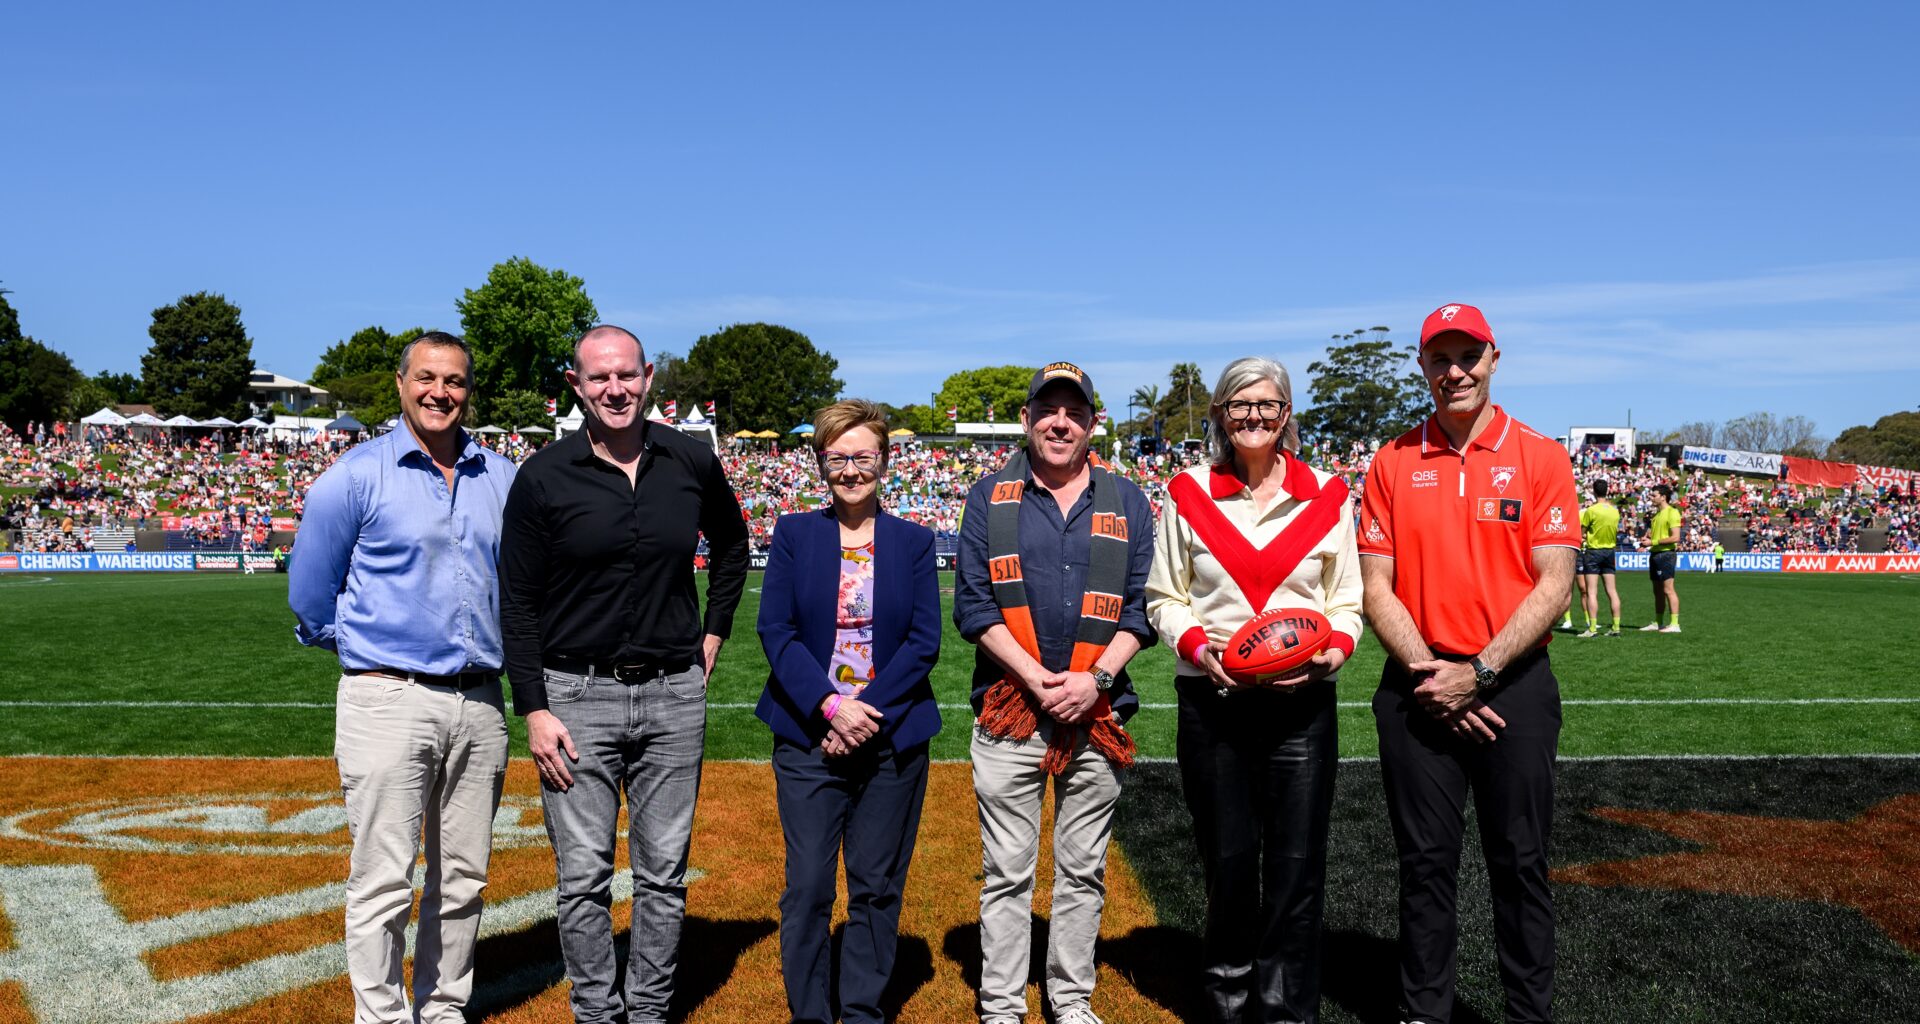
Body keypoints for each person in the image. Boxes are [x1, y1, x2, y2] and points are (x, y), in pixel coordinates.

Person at [499, 325, 751, 1024]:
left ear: (647, 380)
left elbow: (733, 546)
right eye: (599, 377)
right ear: (577, 386)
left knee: (664, 877)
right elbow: (515, 600)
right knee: (582, 880)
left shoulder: (691, 460)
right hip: (576, 697)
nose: (615, 389)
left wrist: (713, 632)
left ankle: (648, 1012)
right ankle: (595, 1013)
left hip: (674, 696)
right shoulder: (544, 475)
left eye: (627, 376)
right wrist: (535, 708)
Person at [287, 330, 517, 1024]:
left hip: (480, 701)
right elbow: (308, 595)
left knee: (464, 879)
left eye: (453, 381)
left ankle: (443, 1009)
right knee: (383, 880)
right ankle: (382, 1018)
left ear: (468, 390)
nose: (440, 392)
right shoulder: (355, 475)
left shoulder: (502, 475)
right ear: (400, 383)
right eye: (426, 378)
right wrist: (370, 653)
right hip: (387, 696)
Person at [1357, 303, 1577, 1024]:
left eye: (1468, 356)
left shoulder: (1541, 456)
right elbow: (1375, 587)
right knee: (1425, 870)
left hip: (1513, 687)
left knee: (1520, 866)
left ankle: (1528, 1015)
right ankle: (1424, 1012)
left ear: (1493, 358)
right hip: (1416, 691)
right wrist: (1434, 677)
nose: (1454, 371)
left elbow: (1555, 582)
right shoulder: (1391, 461)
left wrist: (1478, 673)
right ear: (1422, 366)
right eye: (1439, 358)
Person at [1144, 357, 1363, 1023]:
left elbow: (1348, 603)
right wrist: (1198, 648)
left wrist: (1325, 657)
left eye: (1267, 405)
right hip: (1213, 706)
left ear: (1286, 414)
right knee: (1229, 868)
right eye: (1239, 405)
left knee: (1297, 873)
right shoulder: (1187, 493)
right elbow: (1163, 597)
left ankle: (1288, 1012)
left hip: (1302, 709)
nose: (1254, 417)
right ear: (1217, 415)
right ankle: (1227, 1006)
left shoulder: (1329, 495)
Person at [954, 361, 1157, 1024]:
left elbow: (1141, 609)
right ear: (1028, 419)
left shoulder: (1126, 499)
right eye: (1049, 410)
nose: (1060, 422)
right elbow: (974, 607)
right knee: (1007, 873)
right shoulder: (988, 496)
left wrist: (1091, 679)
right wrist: (1038, 679)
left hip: (1096, 710)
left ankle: (1070, 1001)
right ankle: (1003, 1006)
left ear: (1092, 423)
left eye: (1074, 411)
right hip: (1010, 709)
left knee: (1082, 871)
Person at [755, 398, 944, 1024]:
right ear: (820, 464)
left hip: (892, 739)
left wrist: (863, 715)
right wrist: (832, 707)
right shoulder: (793, 534)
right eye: (837, 458)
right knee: (808, 887)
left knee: (876, 886)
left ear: (885, 460)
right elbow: (775, 631)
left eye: (863, 455)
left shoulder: (915, 542)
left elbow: (924, 642)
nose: (851, 469)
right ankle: (810, 1013)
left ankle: (862, 1011)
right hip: (809, 734)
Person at [1577, 479, 1622, 637]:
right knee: (1612, 591)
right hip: (1610, 551)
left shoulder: (1591, 510)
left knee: (1592, 592)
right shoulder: (1614, 511)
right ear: (1607, 490)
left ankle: (1593, 628)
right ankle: (1616, 627)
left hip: (1594, 552)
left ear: (1594, 491)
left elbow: (1581, 533)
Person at [1640, 483, 1683, 633]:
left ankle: (1675, 624)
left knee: (1668, 590)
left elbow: (1675, 537)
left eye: (1654, 495)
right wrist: (1646, 540)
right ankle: (1658, 622)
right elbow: (1655, 535)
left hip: (1666, 554)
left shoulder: (1672, 512)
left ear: (1663, 497)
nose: (1651, 498)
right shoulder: (1656, 515)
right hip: (1655, 554)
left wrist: (1653, 542)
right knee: (1657, 591)